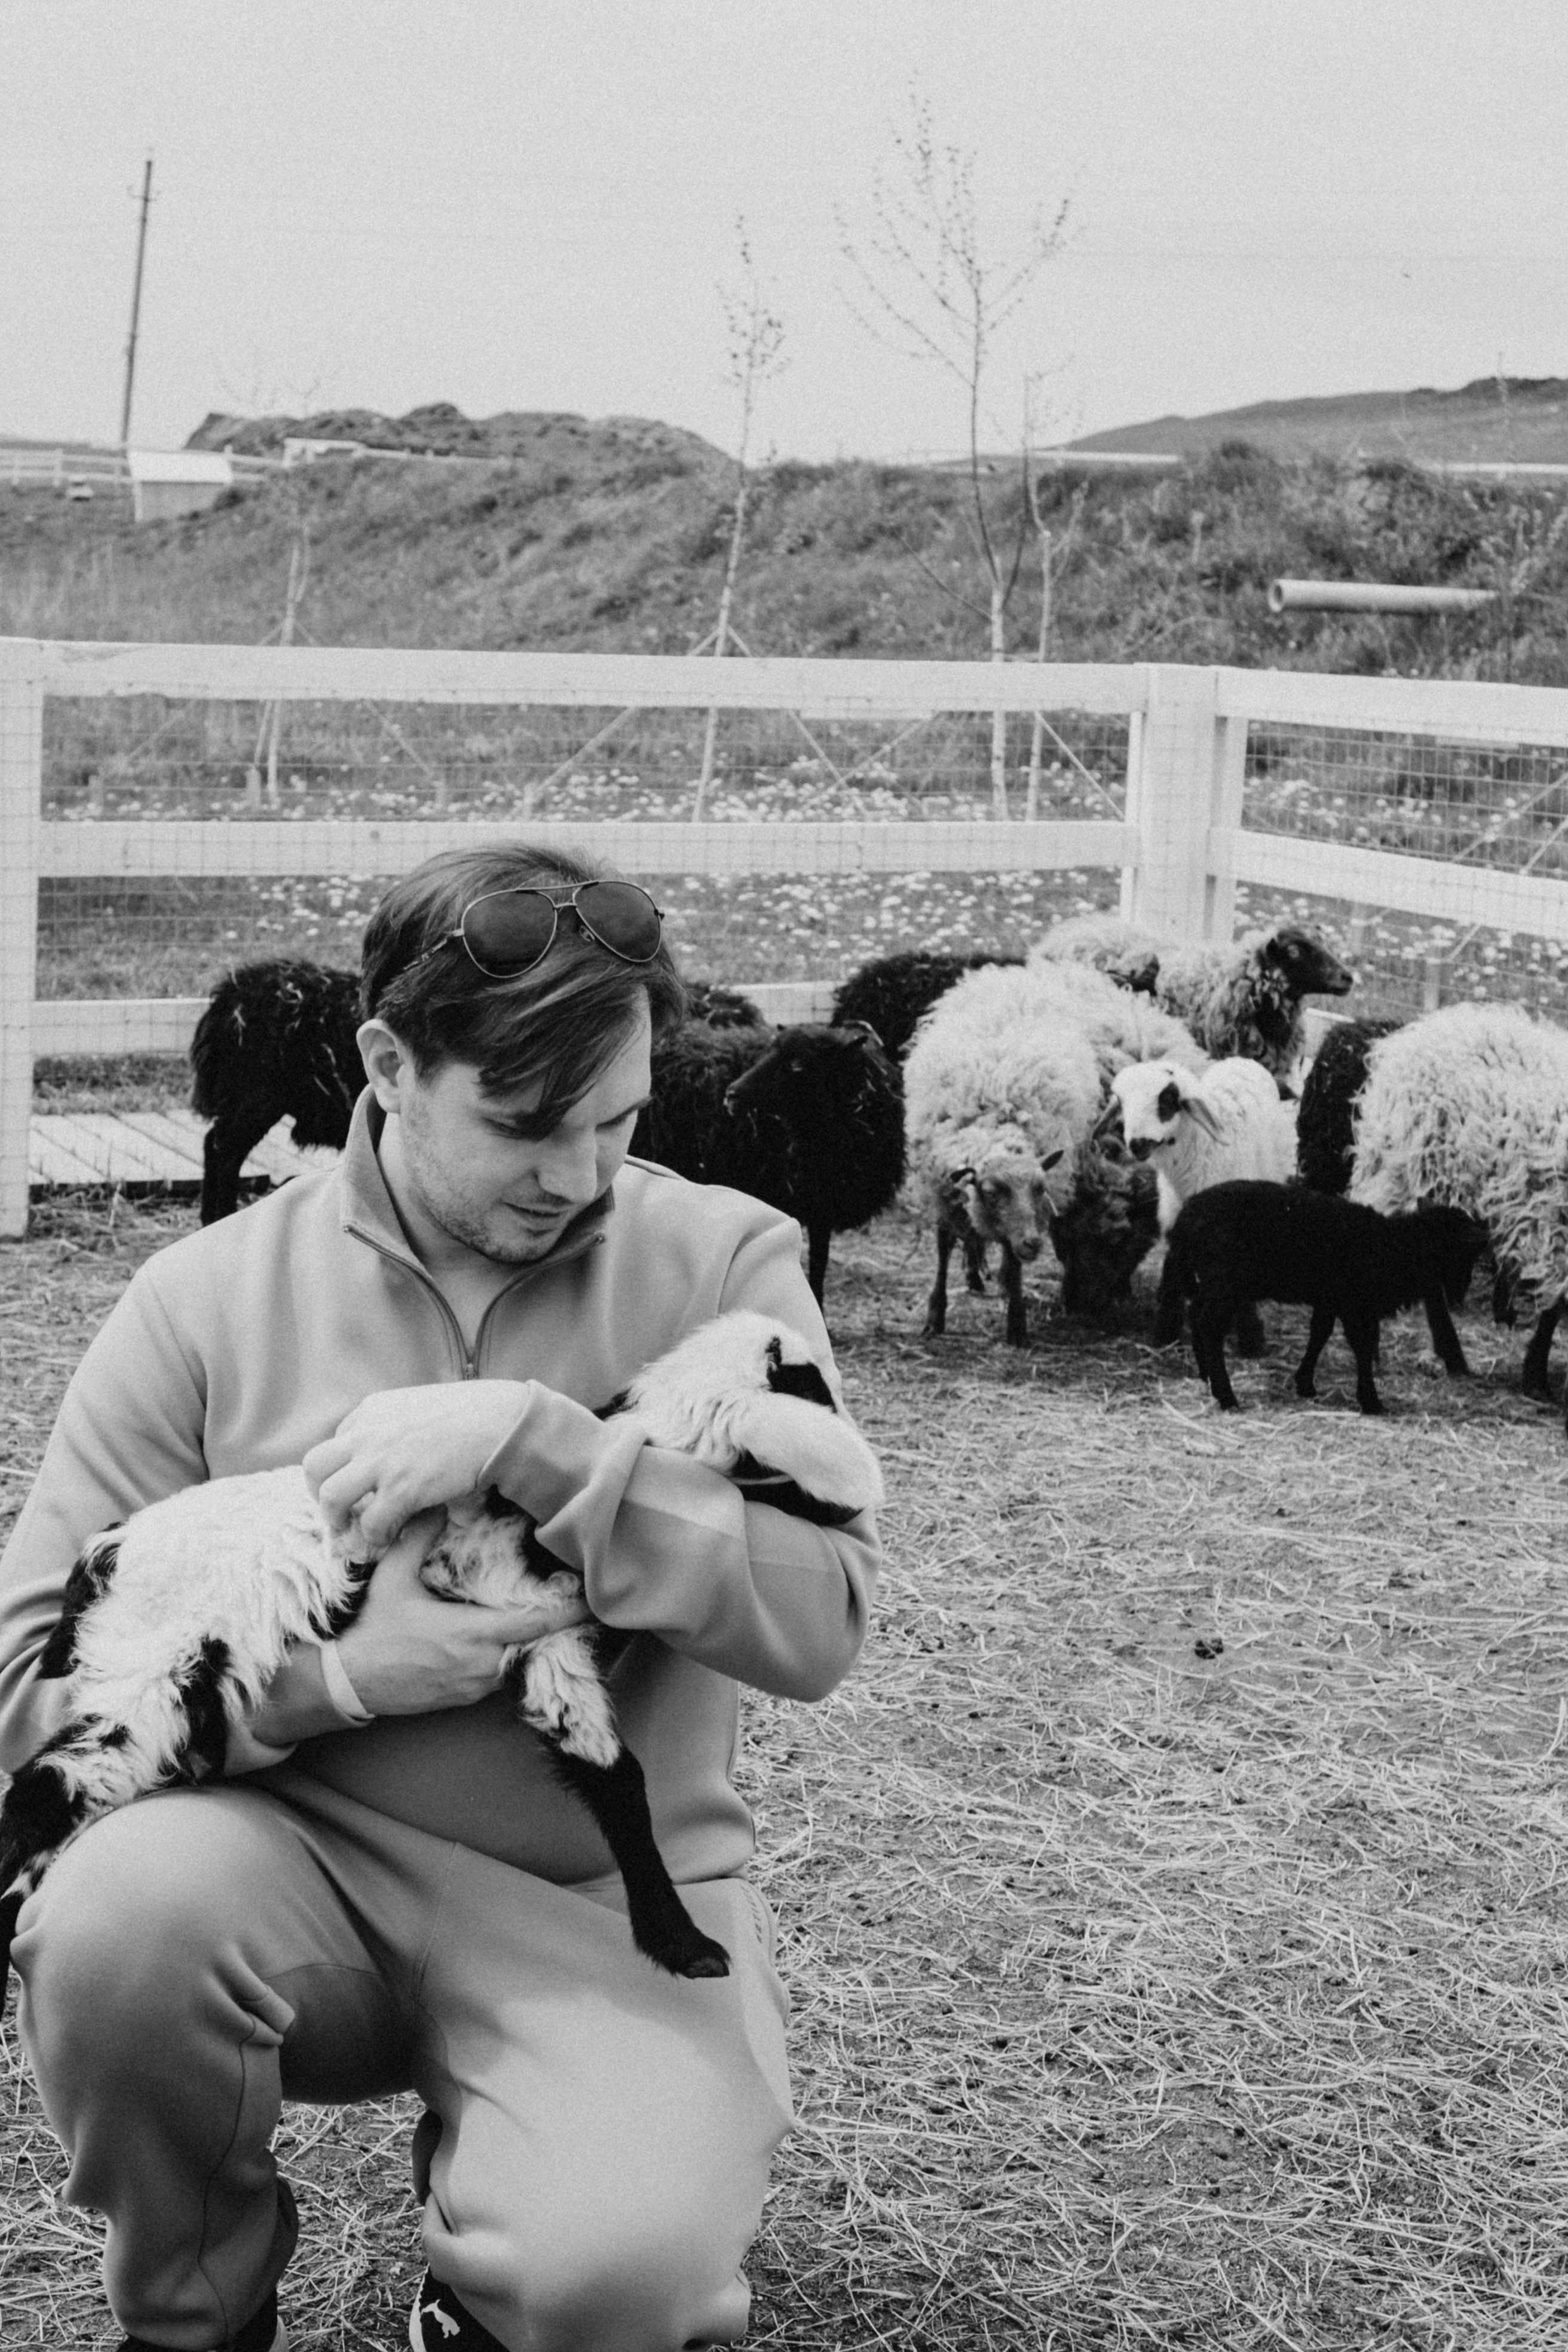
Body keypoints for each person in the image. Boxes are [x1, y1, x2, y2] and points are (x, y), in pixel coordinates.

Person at [0, 845, 881, 2352]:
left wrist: (550, 1452)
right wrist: (336, 1684)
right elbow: (27, 1683)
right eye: (527, 1125)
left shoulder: (725, 1262)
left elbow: (821, 1621)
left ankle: (505, 2271)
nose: (581, 1175)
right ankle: (197, 2312)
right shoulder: (203, 1302)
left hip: (602, 1903)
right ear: (388, 1063)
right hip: (275, 1872)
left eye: (619, 1120)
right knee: (112, 1924)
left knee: (617, 2283)